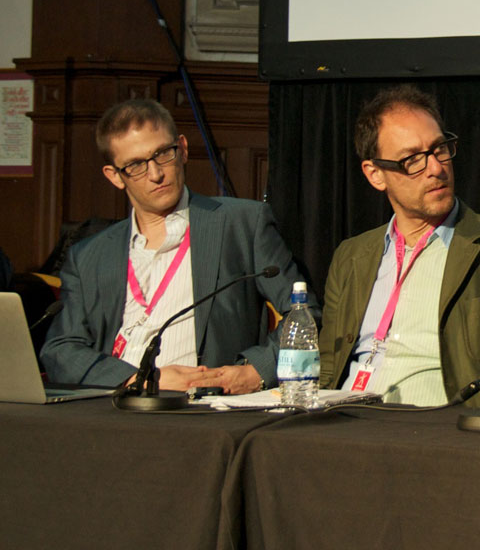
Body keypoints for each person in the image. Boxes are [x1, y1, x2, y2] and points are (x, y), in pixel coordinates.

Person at [40, 99, 307, 393]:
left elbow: (305, 315)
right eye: (135, 165)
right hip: (114, 408)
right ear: (114, 176)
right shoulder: (89, 255)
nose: (155, 174)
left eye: (162, 154)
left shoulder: (241, 223)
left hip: (202, 409)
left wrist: (254, 372)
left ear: (182, 149)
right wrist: (137, 381)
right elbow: (61, 349)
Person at [318, 86, 480, 407]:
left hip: (443, 438)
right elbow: (327, 369)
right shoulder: (350, 256)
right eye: (412, 159)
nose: (436, 168)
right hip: (344, 425)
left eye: (439, 149)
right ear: (375, 174)